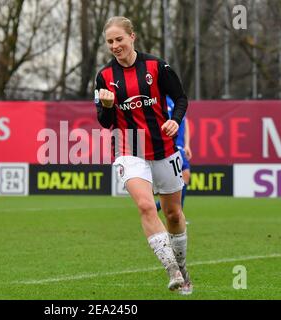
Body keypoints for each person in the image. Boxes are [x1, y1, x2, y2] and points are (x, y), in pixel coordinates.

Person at [94, 16, 192, 294]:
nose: (115, 45)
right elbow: (104, 121)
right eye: (110, 42)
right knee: (147, 207)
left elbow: (181, 98)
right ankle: (172, 270)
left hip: (163, 149)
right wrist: (107, 106)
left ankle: (183, 266)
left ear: (132, 37)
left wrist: (175, 119)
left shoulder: (157, 66)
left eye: (119, 39)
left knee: (174, 214)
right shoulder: (104, 76)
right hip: (129, 149)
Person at [155, 96, 192, 212]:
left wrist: (187, 144)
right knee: (183, 175)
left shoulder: (175, 100)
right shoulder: (158, 99)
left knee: (185, 175)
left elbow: (185, 122)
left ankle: (167, 207)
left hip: (180, 145)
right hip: (170, 144)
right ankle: (174, 210)